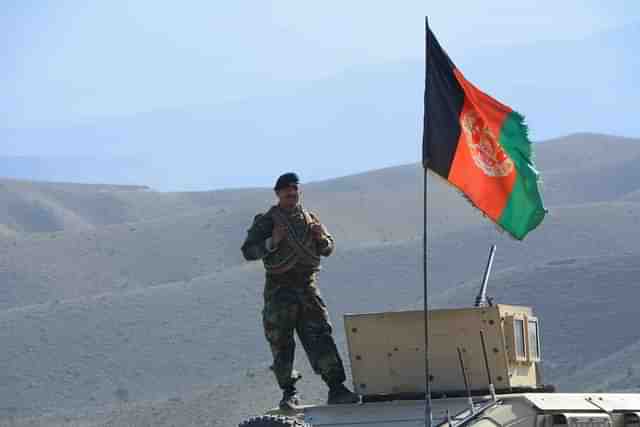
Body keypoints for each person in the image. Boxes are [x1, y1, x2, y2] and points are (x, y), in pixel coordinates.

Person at [241, 172, 359, 410]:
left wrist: (320, 238)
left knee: (320, 336)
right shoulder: (267, 221)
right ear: (278, 194)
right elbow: (248, 251)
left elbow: (328, 248)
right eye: (286, 191)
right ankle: (289, 392)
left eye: (295, 190)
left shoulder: (310, 219)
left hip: (307, 287)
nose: (291, 194)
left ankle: (336, 388)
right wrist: (272, 242)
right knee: (281, 341)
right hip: (280, 289)